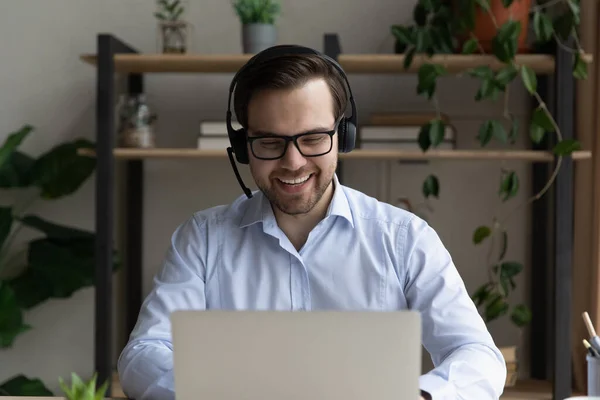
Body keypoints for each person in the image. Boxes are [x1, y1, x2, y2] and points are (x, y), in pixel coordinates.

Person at [117, 45, 507, 400]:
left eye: (314, 138)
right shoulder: (201, 239)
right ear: (242, 147)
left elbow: (477, 354)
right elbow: (143, 354)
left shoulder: (404, 238)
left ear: (343, 135)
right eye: (270, 142)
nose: (293, 162)